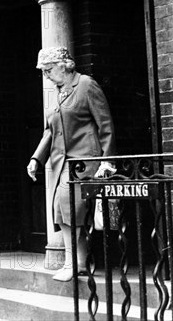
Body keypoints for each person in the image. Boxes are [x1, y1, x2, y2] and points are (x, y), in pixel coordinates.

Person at [26, 47, 116, 282]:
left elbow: (105, 123)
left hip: (85, 160)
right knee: (63, 210)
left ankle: (72, 263)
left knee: (69, 208)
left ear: (64, 65)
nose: (46, 76)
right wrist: (37, 158)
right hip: (62, 163)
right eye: (44, 72)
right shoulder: (59, 91)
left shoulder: (85, 85)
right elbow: (50, 130)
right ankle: (79, 263)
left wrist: (107, 159)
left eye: (49, 70)